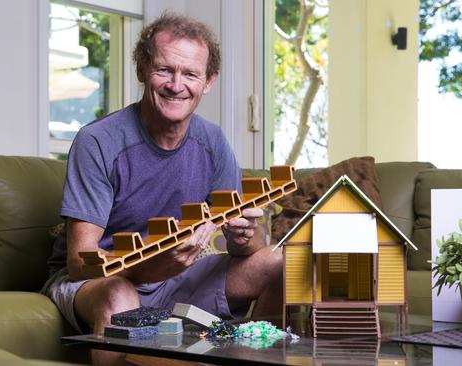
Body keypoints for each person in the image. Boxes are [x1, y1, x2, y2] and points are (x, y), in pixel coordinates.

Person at [42, 12, 282, 362]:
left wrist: (245, 236)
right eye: (164, 70)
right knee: (119, 296)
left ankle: (252, 359)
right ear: (141, 70)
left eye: (190, 74)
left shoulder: (212, 142)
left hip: (175, 274)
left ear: (209, 81)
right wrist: (152, 267)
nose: (176, 84)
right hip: (100, 280)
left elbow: (249, 245)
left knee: (277, 261)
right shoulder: (97, 141)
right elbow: (81, 262)